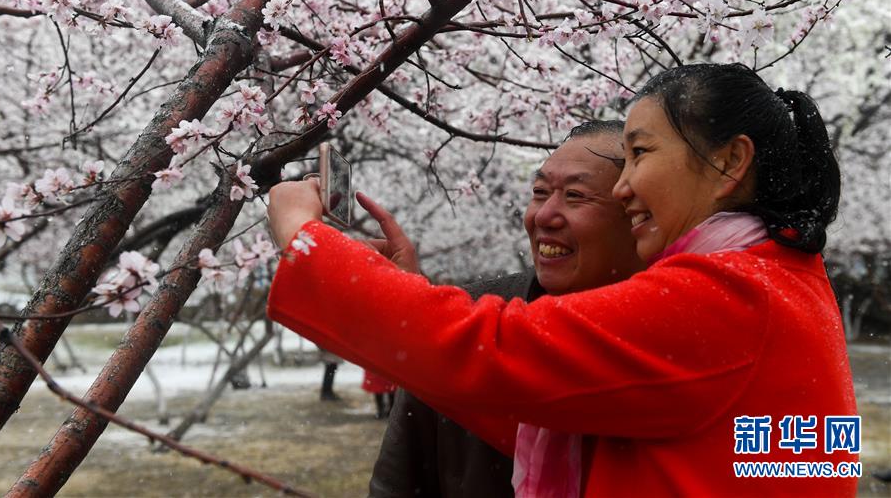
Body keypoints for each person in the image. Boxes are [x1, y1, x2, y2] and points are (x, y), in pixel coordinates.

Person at [266, 63, 857, 496]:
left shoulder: (729, 292)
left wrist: (305, 241)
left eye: (641, 153)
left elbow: (495, 351)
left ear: (729, 161)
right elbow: (558, 416)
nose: (624, 187)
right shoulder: (780, 277)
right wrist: (405, 299)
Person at [369, 121, 644, 497]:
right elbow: (397, 483)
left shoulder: (668, 337)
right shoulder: (464, 319)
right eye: (539, 192)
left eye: (576, 196)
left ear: (637, 214)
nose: (543, 216)